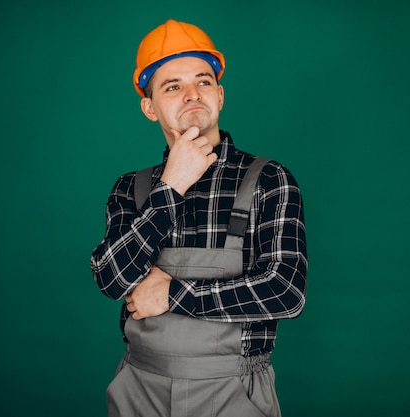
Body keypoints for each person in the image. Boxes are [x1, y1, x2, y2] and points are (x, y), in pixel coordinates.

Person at [90, 19, 307, 417]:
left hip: (233, 391)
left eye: (203, 82)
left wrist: (174, 294)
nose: (192, 94)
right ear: (149, 107)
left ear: (220, 96)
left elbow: (285, 291)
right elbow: (112, 279)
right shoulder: (130, 188)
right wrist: (170, 187)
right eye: (172, 86)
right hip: (139, 387)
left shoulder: (269, 179)